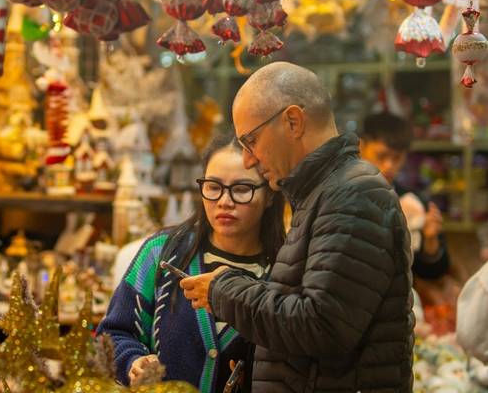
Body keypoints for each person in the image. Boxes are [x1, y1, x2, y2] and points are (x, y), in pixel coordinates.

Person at [181, 62, 414, 392]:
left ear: (293, 121)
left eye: (251, 140)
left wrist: (223, 290)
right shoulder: (324, 193)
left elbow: (322, 325)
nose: (248, 159)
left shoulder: (352, 195)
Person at [97, 133, 286, 392]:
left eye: (242, 189)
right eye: (213, 186)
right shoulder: (161, 252)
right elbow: (111, 334)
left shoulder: (284, 271)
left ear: (271, 196)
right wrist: (133, 361)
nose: (224, 201)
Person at [359, 111, 450, 280]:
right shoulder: (340, 197)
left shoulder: (413, 202)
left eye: (397, 158)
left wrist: (430, 241)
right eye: (381, 155)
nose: (389, 165)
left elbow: (435, 272)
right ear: (361, 147)